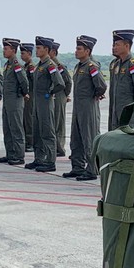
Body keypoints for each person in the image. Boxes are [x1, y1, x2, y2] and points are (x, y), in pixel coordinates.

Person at [63, 35, 107, 181]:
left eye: (79, 49)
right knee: (76, 139)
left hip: (88, 107)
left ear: (87, 51)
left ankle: (92, 169)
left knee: (89, 139)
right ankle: (77, 167)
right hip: (78, 108)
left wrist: (95, 96)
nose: (76, 51)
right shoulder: (78, 67)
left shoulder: (91, 67)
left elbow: (101, 85)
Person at [24, 36, 65, 172]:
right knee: (37, 132)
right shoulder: (39, 65)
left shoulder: (50, 65)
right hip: (37, 103)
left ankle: (50, 161)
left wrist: (50, 93)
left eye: (39, 48)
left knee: (47, 132)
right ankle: (39, 158)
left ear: (46, 49)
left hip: (45, 103)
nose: (37, 50)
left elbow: (60, 83)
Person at [0, 38, 29, 165]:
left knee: (16, 128)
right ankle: (10, 153)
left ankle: (19, 155)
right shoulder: (8, 65)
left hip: (15, 101)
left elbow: (24, 82)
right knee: (7, 128)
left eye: (6, 49)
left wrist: (21, 94)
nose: (4, 51)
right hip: (8, 101)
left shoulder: (16, 65)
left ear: (13, 50)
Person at [108, 29, 134, 131]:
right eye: (114, 45)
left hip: (129, 115)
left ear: (126, 46)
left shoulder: (133, 65)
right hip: (115, 112)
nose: (114, 48)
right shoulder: (116, 65)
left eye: (117, 45)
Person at [50, 42, 72, 157]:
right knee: (52, 122)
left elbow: (68, 82)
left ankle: (60, 148)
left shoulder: (59, 67)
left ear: (53, 52)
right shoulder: (49, 65)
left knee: (58, 122)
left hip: (59, 95)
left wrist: (64, 95)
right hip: (52, 96)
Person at [19, 43, 36, 153]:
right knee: (24, 119)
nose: (21, 55)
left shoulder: (31, 67)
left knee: (29, 120)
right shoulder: (25, 66)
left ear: (29, 54)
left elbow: (35, 82)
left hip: (31, 96)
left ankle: (30, 142)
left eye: (23, 53)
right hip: (26, 96)